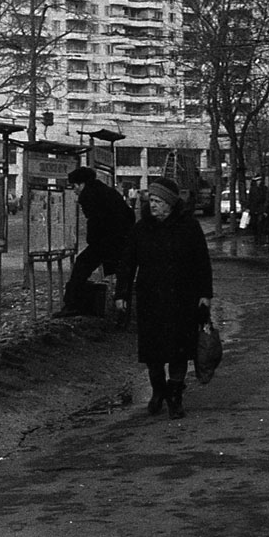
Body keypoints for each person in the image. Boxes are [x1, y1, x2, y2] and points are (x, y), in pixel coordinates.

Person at [114, 177, 212, 419]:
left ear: (170, 203)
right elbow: (127, 263)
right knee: (153, 352)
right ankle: (158, 390)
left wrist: (205, 295)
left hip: (182, 299)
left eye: (158, 201)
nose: (153, 205)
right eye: (151, 200)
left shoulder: (189, 226)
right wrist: (121, 294)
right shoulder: (141, 228)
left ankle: (175, 396)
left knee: (179, 351)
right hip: (151, 299)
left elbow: (202, 263)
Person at [55, 166, 135, 318]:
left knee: (81, 265)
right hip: (121, 239)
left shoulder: (89, 196)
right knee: (122, 275)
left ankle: (72, 305)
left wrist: (94, 241)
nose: (75, 191)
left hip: (109, 241)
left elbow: (95, 223)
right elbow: (128, 214)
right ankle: (123, 313)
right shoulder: (104, 190)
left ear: (82, 184)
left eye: (75, 186)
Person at [246, 178, 266, 242]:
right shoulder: (252, 189)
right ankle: (256, 235)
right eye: (257, 181)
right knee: (254, 223)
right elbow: (250, 198)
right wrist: (248, 207)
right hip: (254, 208)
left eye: (259, 180)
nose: (259, 182)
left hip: (260, 208)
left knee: (260, 222)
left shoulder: (264, 188)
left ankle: (260, 235)